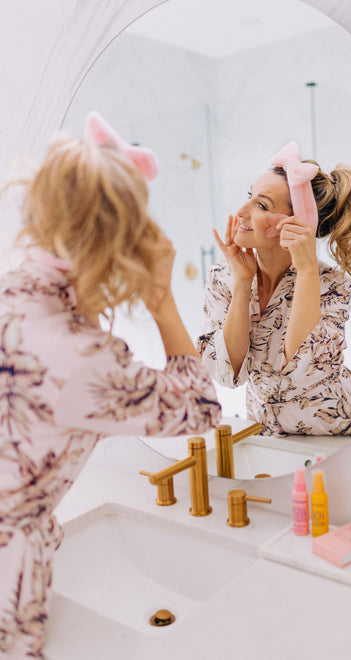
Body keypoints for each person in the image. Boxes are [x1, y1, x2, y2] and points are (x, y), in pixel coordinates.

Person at [0, 111, 221, 658]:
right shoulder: (82, 358)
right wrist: (162, 299)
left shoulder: (12, 295)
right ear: (125, 242)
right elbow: (200, 408)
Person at [197, 140, 351, 438]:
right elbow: (225, 375)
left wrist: (307, 270)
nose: (241, 211)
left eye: (261, 205)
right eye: (249, 196)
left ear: (295, 223)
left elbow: (305, 373)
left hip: (334, 432)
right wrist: (243, 284)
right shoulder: (224, 276)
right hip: (266, 431)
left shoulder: (331, 285)